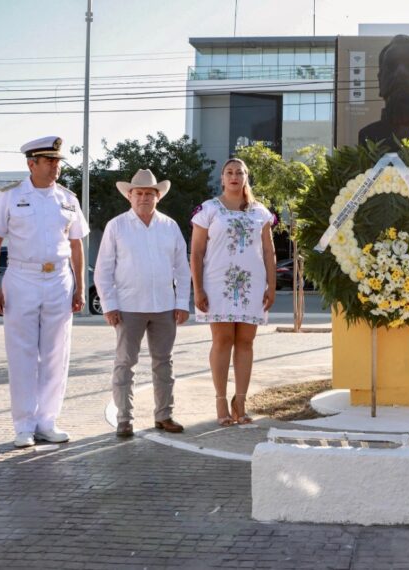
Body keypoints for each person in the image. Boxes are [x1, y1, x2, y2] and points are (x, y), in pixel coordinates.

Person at [0, 136, 89, 448]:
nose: (56, 166)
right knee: (23, 354)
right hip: (22, 277)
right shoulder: (10, 197)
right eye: (49, 161)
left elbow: (76, 244)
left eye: (58, 161)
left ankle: (48, 421)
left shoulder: (68, 198)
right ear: (31, 164)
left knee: (57, 353)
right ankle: (24, 425)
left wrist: (80, 286)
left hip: (58, 278)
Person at [94, 170, 191, 439]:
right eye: (139, 193)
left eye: (150, 193)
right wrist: (109, 305)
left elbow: (182, 268)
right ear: (130, 196)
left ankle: (164, 415)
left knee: (164, 363)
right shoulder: (116, 226)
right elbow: (103, 269)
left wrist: (182, 302)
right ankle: (124, 419)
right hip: (128, 306)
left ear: (158, 196)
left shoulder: (169, 226)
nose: (144, 197)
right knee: (125, 363)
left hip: (164, 307)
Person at [190, 158, 276, 426]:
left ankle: (240, 401)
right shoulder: (209, 210)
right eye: (229, 172)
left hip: (252, 284)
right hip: (217, 284)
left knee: (246, 342)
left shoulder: (260, 212)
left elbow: (268, 251)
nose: (234, 176)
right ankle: (220, 401)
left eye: (240, 172)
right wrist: (198, 287)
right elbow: (197, 251)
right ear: (222, 179)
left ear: (246, 177)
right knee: (222, 340)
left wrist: (271, 285)